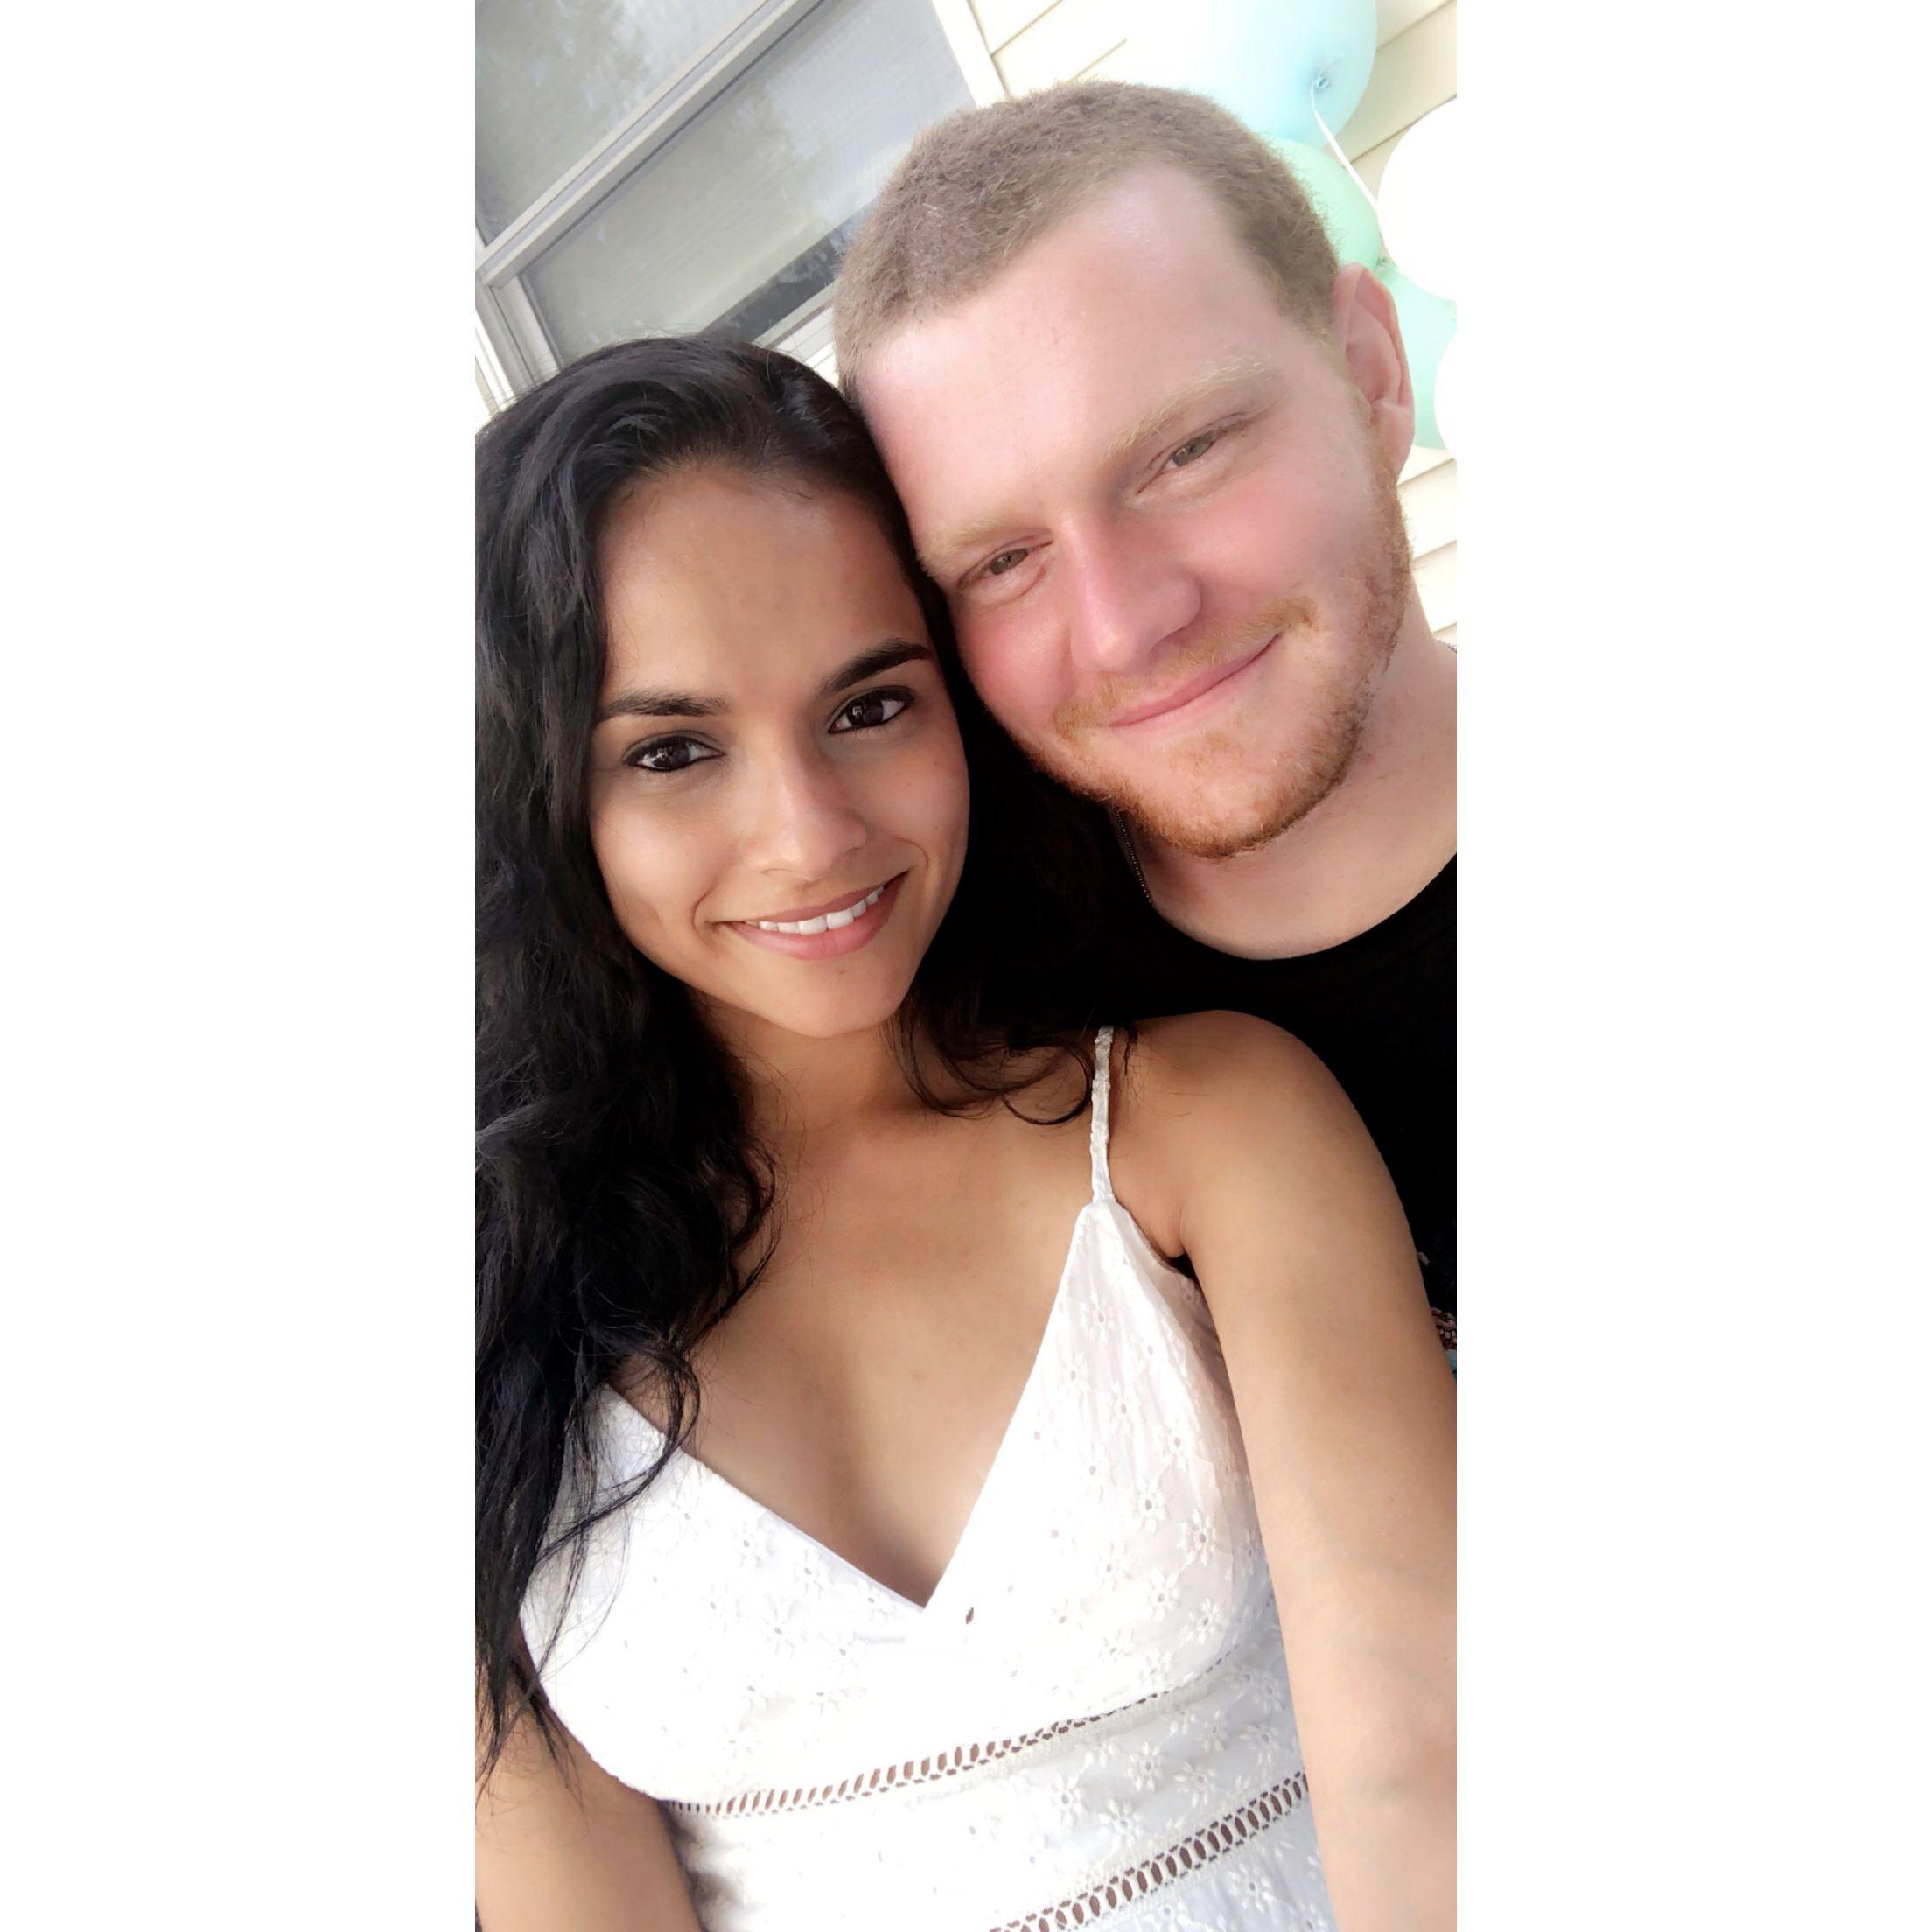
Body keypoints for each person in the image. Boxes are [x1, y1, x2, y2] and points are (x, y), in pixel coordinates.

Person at [474, 335, 1452, 1930]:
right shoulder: (480, 1324)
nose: (809, 834)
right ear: (530, 798)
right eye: (671, 750)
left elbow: (1432, 1753)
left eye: (871, 705)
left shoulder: (1202, 1128)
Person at [833, 80, 1458, 1340]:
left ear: (1373, 374)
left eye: (1186, 454)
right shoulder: (981, 1052)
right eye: (1003, 561)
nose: (1122, 627)